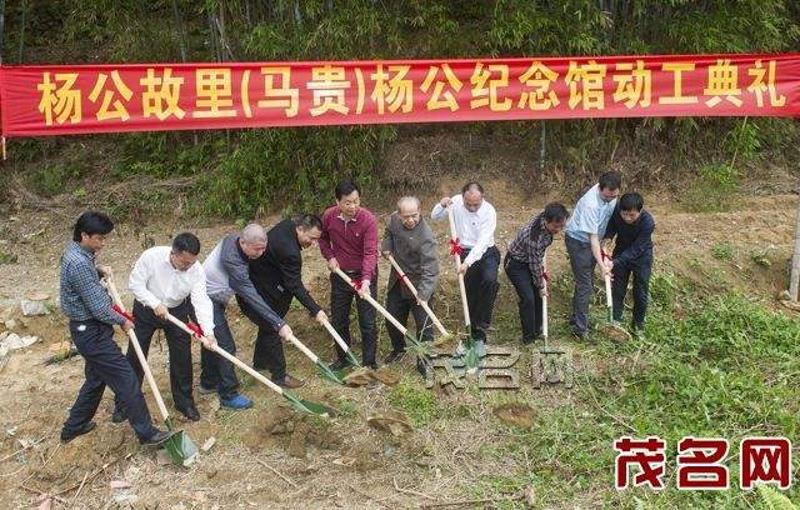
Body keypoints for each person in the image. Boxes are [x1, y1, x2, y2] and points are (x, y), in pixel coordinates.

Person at [59, 211, 171, 446]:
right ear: (84, 235)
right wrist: (121, 320)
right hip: (91, 332)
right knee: (126, 378)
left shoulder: (78, 253)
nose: (102, 243)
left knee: (96, 379)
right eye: (99, 238)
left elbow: (84, 280)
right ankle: (147, 433)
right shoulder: (79, 262)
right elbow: (98, 306)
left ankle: (74, 426)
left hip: (88, 329)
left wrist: (97, 270)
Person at [111, 233, 216, 424]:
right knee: (136, 355)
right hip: (146, 309)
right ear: (173, 254)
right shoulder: (151, 257)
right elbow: (135, 284)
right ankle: (125, 403)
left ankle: (184, 402)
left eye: (192, 262)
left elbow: (201, 300)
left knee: (182, 357)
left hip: (176, 310)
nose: (189, 267)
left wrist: (208, 331)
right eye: (185, 263)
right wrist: (154, 303)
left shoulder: (196, 270)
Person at [199, 224, 292, 409]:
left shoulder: (234, 239)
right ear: (243, 242)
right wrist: (279, 323)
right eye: (258, 249)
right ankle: (228, 394)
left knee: (213, 341)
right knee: (225, 346)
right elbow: (251, 296)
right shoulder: (233, 262)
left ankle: (208, 382)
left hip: (215, 298)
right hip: (205, 300)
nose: (261, 253)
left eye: (263, 248)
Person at [248, 215, 328, 388]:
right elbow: (294, 285)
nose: (313, 244)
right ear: (300, 229)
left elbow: (292, 282)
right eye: (311, 238)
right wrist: (315, 310)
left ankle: (261, 362)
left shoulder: (288, 224)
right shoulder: (290, 251)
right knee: (273, 326)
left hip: (265, 279)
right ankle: (279, 375)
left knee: (267, 324)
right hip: (260, 287)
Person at [319, 180, 379, 370]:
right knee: (339, 319)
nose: (353, 206)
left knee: (367, 321)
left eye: (356, 201)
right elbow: (322, 238)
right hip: (340, 275)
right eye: (347, 202)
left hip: (364, 275)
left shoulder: (368, 220)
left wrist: (367, 281)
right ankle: (343, 358)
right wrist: (330, 257)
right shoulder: (329, 216)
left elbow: (370, 252)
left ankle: (369, 363)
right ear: (337, 201)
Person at [431, 182, 499, 343]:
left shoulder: (489, 211)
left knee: (490, 282)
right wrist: (441, 204)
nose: (472, 207)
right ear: (463, 198)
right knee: (470, 291)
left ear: (483, 198)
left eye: (476, 204)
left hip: (486, 251)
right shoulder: (455, 202)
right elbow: (435, 216)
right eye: (468, 204)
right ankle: (472, 330)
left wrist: (467, 263)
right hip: (464, 251)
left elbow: (483, 242)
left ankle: (481, 327)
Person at [381, 196, 440, 363]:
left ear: (420, 212)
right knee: (392, 319)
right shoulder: (393, 220)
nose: (411, 220)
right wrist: (387, 247)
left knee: (424, 325)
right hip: (398, 280)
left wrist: (424, 294)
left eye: (414, 215)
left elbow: (431, 269)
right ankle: (399, 350)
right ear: (399, 215)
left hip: (419, 282)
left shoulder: (425, 236)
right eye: (406, 216)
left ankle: (425, 359)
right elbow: (388, 232)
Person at [564, 171, 622, 339]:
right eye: (607, 198)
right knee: (585, 284)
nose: (611, 200)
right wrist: (603, 266)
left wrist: (607, 242)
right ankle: (580, 330)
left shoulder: (612, 195)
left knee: (585, 281)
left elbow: (607, 225)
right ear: (600, 189)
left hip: (595, 240)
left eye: (614, 197)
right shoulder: (591, 204)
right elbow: (593, 239)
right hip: (579, 241)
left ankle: (576, 319)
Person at [504, 203, 569, 345]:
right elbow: (534, 266)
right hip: (516, 264)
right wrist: (541, 286)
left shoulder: (545, 217)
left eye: (561, 226)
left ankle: (538, 329)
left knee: (538, 298)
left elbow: (536, 260)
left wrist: (539, 279)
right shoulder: (534, 238)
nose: (558, 230)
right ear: (546, 220)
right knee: (529, 298)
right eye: (556, 227)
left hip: (531, 260)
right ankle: (528, 337)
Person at [603, 193, 655, 332]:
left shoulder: (648, 222)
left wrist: (615, 262)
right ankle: (615, 322)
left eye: (632, 215)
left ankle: (638, 324)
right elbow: (612, 227)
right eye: (624, 214)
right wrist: (607, 239)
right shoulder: (617, 211)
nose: (627, 218)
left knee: (640, 291)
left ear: (640, 210)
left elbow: (636, 249)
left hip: (641, 256)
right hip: (621, 251)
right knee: (618, 289)